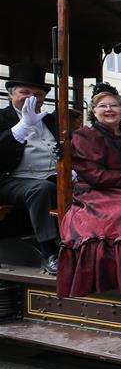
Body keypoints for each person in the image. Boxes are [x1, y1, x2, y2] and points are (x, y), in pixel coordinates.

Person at [57, 83, 121, 298]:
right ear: (93, 112)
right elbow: (94, 174)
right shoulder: (84, 137)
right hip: (96, 192)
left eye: (114, 105)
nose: (109, 110)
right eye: (102, 106)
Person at [0, 64, 59, 274]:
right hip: (11, 179)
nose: (31, 98)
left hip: (53, 176)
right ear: (10, 94)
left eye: (37, 94)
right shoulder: (2, 118)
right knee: (41, 189)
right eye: (24, 92)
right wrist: (22, 126)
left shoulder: (51, 120)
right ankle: (50, 251)